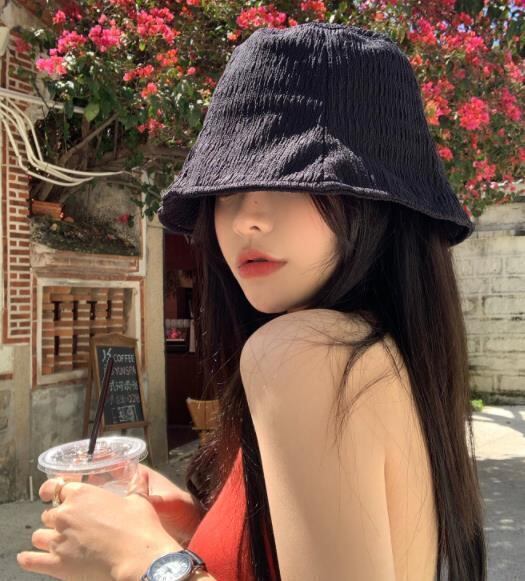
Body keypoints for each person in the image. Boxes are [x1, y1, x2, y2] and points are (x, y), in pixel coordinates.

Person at [17, 22, 487, 581]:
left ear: (378, 202)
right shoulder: (380, 353)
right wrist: (198, 529)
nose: (245, 220)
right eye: (226, 190)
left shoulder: (306, 353)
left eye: (295, 181)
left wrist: (145, 562)